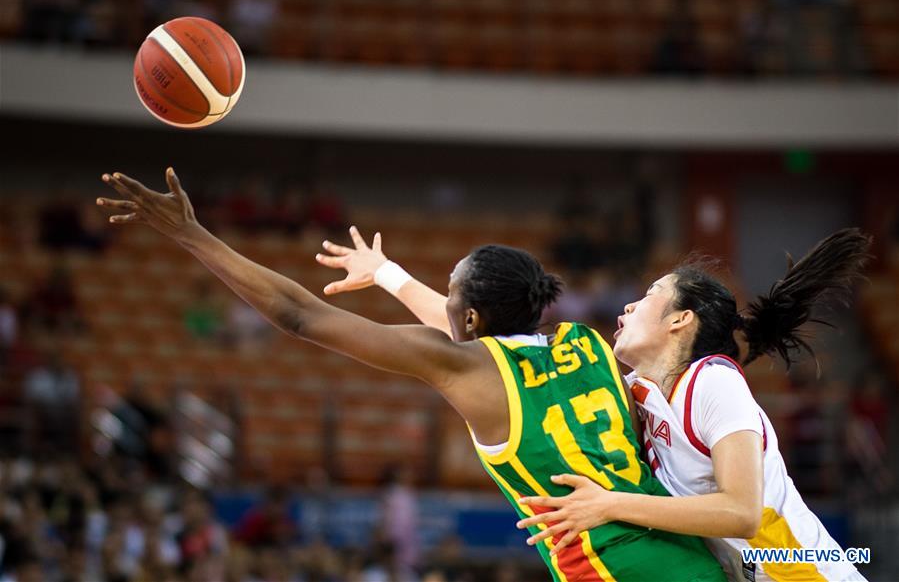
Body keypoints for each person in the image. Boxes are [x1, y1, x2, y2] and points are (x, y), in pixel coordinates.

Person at [96, 168, 725, 581]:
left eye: (451, 292)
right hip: (690, 559)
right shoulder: (586, 345)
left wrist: (192, 235)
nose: (444, 301)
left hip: (616, 571)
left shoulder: (467, 365)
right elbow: (469, 329)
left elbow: (297, 315)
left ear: (472, 316)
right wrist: (389, 275)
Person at [317, 226, 871, 582]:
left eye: (651, 294)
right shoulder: (634, 389)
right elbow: (480, 344)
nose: (630, 303)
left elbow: (742, 514)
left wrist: (610, 504)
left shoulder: (715, 381)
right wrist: (387, 275)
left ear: (681, 321)